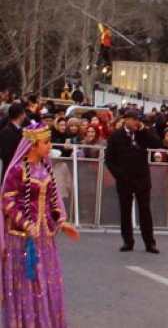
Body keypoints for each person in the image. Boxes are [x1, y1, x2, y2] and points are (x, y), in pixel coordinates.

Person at [1, 122, 79, 327]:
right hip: (22, 237)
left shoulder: (46, 169)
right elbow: (7, 201)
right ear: (33, 145)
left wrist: (62, 222)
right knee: (26, 283)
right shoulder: (17, 170)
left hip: (44, 236)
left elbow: (53, 200)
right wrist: (25, 223)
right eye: (46, 142)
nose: (49, 146)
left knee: (47, 280)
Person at [105, 109, 162, 253]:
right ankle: (127, 240)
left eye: (139, 120)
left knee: (144, 210)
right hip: (124, 179)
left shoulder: (142, 134)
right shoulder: (116, 136)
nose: (137, 122)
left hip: (141, 178)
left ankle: (150, 242)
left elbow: (156, 144)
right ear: (126, 120)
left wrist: (144, 131)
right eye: (135, 119)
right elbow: (109, 158)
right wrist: (118, 174)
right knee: (125, 210)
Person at [0, 102, 27, 179]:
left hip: (19, 169)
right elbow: (6, 154)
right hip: (10, 171)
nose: (25, 116)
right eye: (24, 113)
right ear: (19, 115)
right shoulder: (6, 131)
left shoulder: (21, 130)